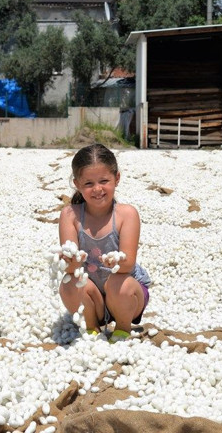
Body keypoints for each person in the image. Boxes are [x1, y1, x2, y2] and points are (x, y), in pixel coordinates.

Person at [58, 143, 151, 342]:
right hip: (93, 297)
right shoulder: (70, 215)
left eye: (104, 181)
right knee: (68, 284)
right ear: (77, 184)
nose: (97, 189)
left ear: (117, 179)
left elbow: (128, 263)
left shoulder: (127, 214)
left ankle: (122, 328)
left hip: (126, 294)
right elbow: (70, 268)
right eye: (89, 183)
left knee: (118, 281)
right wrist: (70, 260)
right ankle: (92, 328)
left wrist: (115, 263)